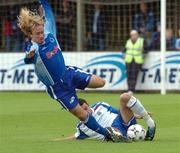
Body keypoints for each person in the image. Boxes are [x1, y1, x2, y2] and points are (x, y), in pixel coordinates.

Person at [17, 0, 122, 142]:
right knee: (83, 116)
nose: (41, 35)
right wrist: (28, 58)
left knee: (101, 82)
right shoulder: (34, 49)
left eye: (42, 32)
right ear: (31, 34)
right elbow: (28, 59)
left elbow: (48, 11)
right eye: (37, 34)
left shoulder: (49, 33)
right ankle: (108, 135)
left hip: (69, 74)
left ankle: (103, 124)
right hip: (59, 89)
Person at [54, 93, 156, 141]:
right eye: (80, 111)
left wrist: (140, 115)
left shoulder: (100, 105)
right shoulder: (81, 127)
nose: (85, 112)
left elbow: (119, 111)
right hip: (113, 132)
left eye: (85, 108)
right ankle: (118, 137)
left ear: (87, 103)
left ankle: (150, 123)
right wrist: (57, 141)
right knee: (111, 131)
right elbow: (75, 137)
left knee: (124, 97)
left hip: (122, 121)